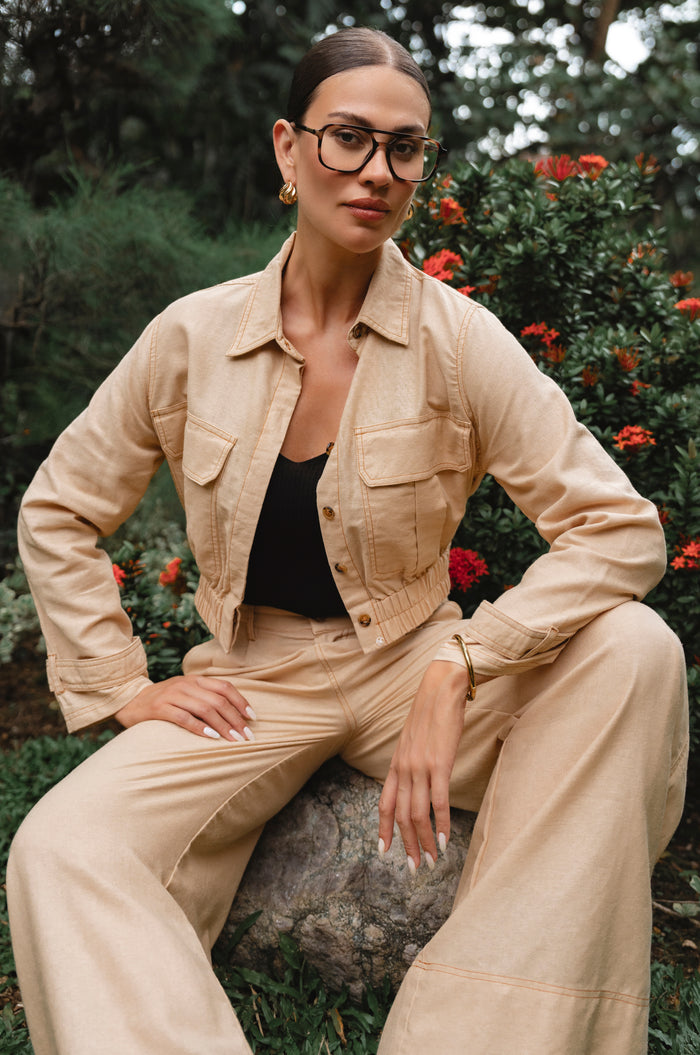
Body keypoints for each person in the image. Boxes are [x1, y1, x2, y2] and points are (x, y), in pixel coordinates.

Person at [7, 25, 688, 1055]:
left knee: (636, 648)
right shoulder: (190, 336)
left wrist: (461, 660)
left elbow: (617, 528)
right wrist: (119, 683)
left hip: (411, 657)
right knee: (61, 844)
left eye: (404, 148)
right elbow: (59, 506)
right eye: (349, 139)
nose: (377, 170)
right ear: (289, 149)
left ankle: (475, 1029)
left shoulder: (461, 339)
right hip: (252, 682)